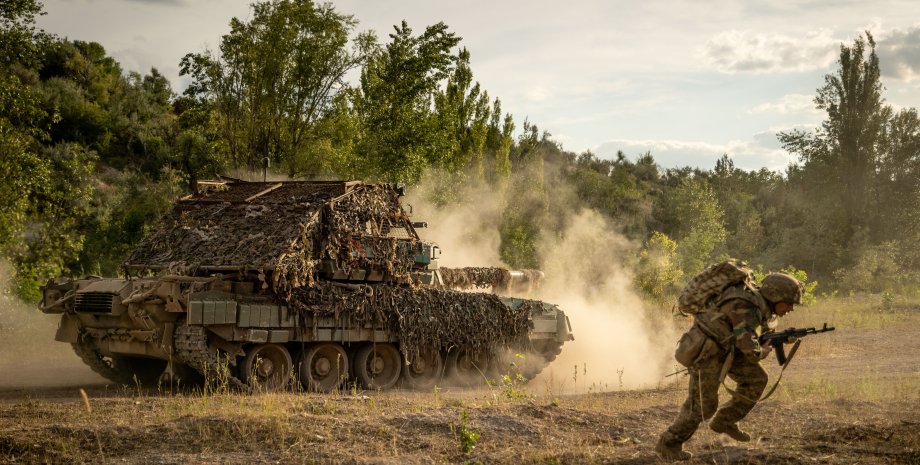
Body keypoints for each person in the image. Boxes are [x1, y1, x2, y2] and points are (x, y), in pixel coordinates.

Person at [655, 272, 804, 461]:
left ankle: (724, 421)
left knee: (756, 379)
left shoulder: (759, 305)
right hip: (708, 353)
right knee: (703, 406)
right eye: (789, 302)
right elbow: (748, 346)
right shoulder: (745, 305)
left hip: (728, 349)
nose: (791, 308)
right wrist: (762, 351)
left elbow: (752, 333)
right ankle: (668, 443)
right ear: (775, 296)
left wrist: (777, 338)